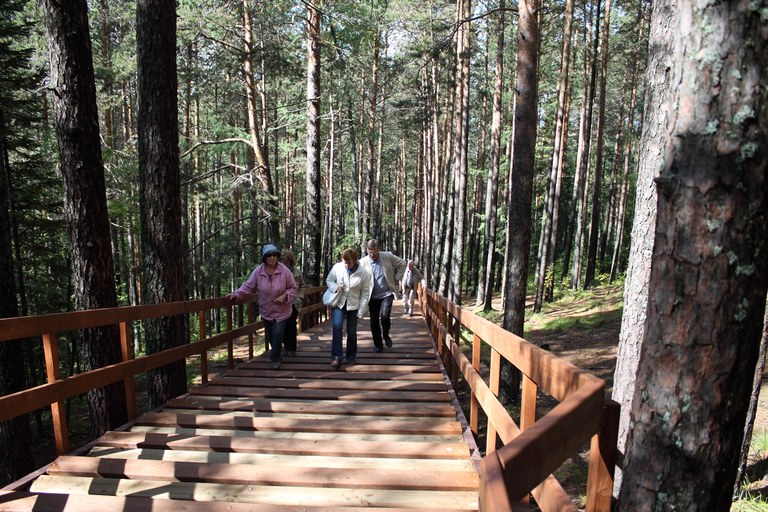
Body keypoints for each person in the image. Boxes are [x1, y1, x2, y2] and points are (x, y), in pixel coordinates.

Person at [227, 243, 296, 369]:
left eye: (274, 255)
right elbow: (248, 286)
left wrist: (285, 296)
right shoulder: (258, 272)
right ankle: (277, 351)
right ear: (264, 258)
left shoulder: (284, 271)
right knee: (270, 335)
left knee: (278, 333)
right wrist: (236, 294)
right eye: (269, 255)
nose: (272, 257)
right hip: (266, 310)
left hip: (282, 310)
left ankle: (275, 359)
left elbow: (293, 287)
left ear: (277, 256)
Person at [325, 247, 372, 369]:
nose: (346, 265)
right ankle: (337, 357)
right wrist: (335, 287)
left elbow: (365, 293)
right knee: (337, 328)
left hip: (354, 305)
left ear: (355, 260)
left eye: (349, 263)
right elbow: (329, 280)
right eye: (344, 262)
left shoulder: (363, 273)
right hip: (339, 302)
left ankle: (351, 356)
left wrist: (361, 311)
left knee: (351, 332)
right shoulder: (338, 267)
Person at [360, 239, 407, 352]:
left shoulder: (387, 256)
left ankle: (386, 334)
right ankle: (378, 345)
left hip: (386, 293)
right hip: (372, 296)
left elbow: (403, 263)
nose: (372, 255)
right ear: (367, 250)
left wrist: (397, 278)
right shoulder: (362, 262)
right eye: (370, 252)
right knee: (374, 321)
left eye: (375, 252)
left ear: (379, 250)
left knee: (385, 316)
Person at [280, 250, 305, 356]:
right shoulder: (278, 272)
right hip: (282, 303)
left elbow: (302, 285)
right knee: (283, 326)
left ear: (291, 262)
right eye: (282, 262)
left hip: (294, 302)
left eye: (287, 262)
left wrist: (300, 297)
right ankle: (286, 348)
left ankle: (292, 349)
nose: (285, 264)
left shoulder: (296, 272)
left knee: (291, 325)